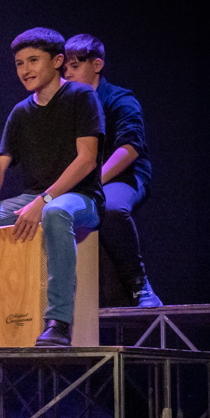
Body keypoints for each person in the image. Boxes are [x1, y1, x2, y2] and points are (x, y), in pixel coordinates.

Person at [0, 28, 103, 348]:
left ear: (58, 61)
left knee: (56, 212)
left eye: (33, 60)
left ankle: (59, 322)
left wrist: (45, 199)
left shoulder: (82, 96)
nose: (25, 69)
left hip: (82, 197)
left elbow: (87, 160)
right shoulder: (21, 111)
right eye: (19, 63)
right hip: (33, 198)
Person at [62, 33, 161, 307]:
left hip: (125, 177)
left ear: (97, 65)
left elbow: (130, 149)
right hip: (86, 182)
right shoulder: (70, 106)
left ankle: (140, 285)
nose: (67, 73)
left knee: (112, 208)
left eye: (75, 66)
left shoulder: (120, 98)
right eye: (65, 68)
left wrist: (94, 182)